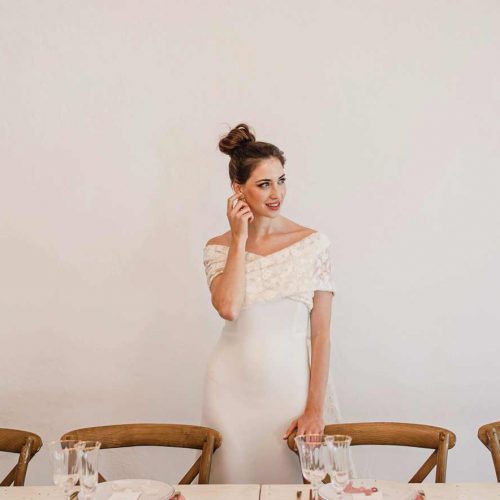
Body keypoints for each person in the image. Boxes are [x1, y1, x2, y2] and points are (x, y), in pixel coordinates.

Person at [201, 123, 341, 484]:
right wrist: (239, 239)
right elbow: (228, 308)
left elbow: (321, 336)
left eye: (281, 180)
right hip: (228, 391)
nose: (276, 193)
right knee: (230, 488)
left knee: (294, 487)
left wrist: (315, 409)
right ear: (238, 189)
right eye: (264, 184)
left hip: (290, 390)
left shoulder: (313, 244)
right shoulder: (218, 247)